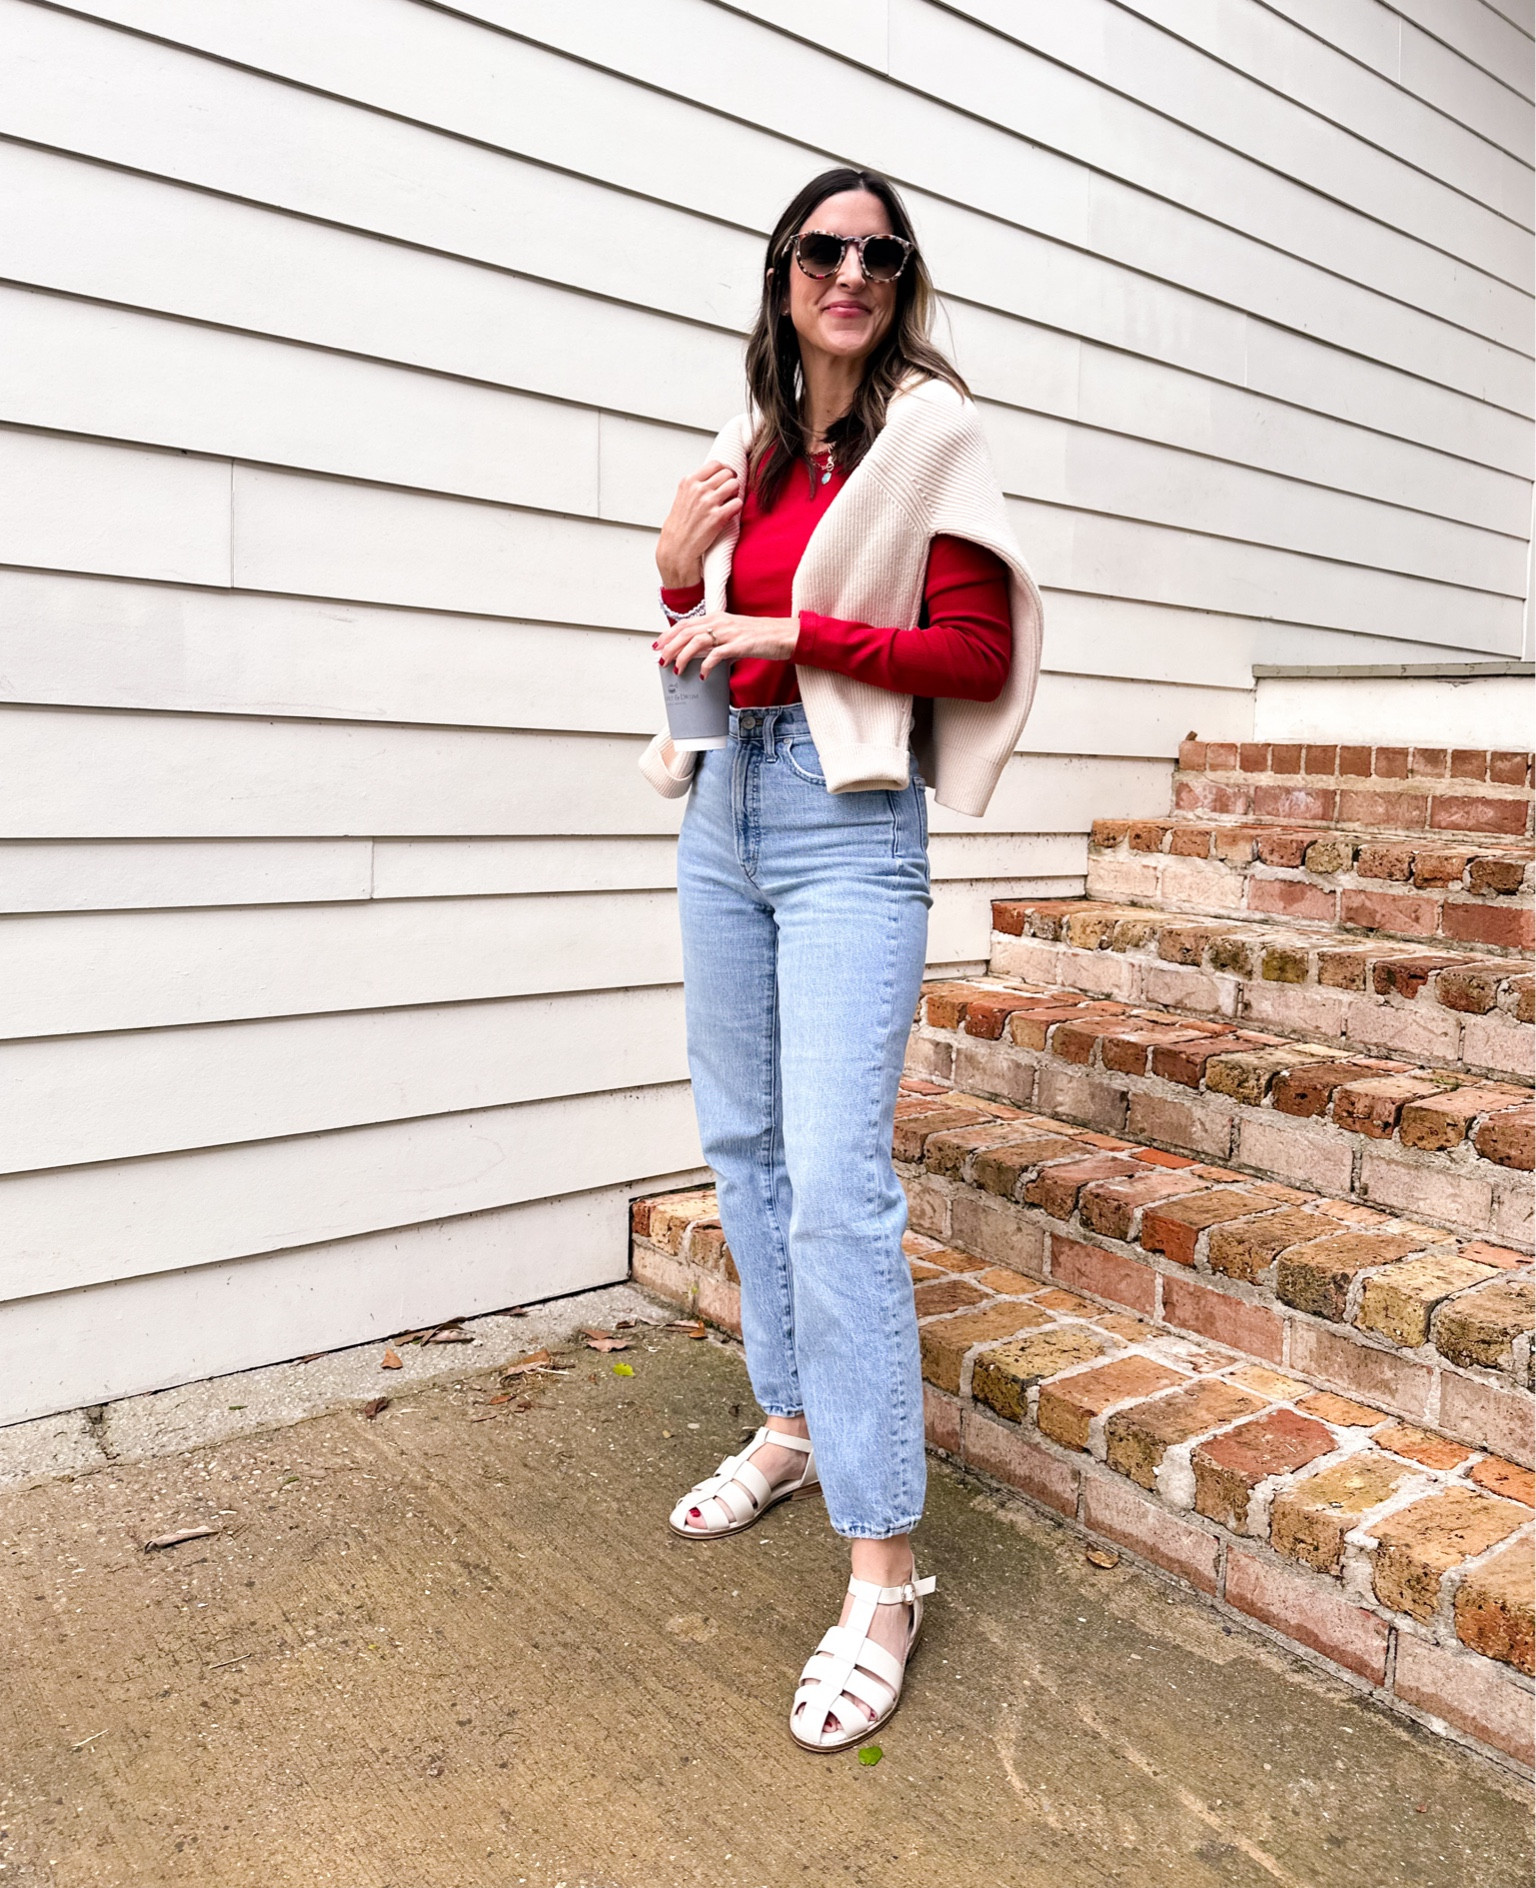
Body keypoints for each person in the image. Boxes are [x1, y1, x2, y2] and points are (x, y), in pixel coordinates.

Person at [639, 167, 1043, 1753]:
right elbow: (699, 652)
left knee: (834, 1181)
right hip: (723, 810)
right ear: (783, 272)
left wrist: (789, 637)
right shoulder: (755, 454)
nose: (852, 272)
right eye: (826, 249)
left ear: (902, 281)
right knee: (739, 1145)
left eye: (881, 254)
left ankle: (884, 1574)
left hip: (845, 824)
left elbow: (977, 653)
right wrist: (681, 576)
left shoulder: (928, 433)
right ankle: (793, 1421)